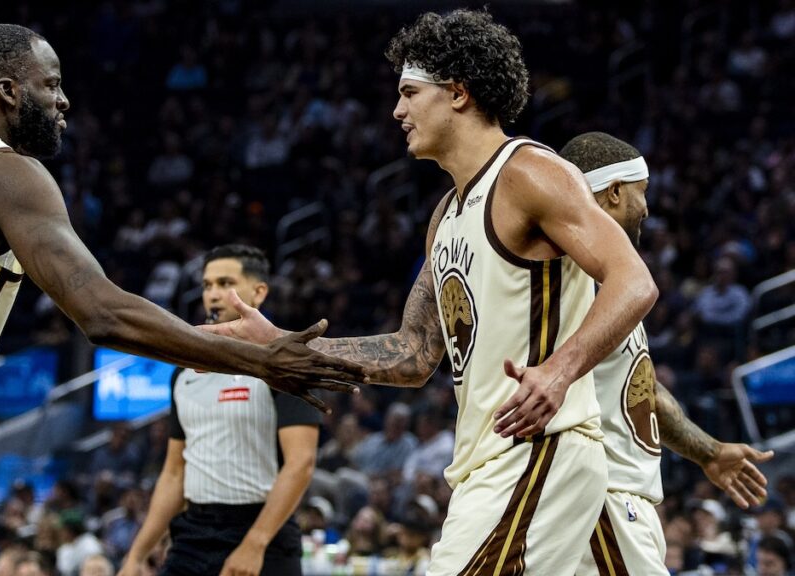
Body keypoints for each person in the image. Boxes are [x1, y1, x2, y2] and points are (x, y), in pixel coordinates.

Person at [0, 24, 366, 576]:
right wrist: (260, 361)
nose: (64, 101)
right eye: (50, 84)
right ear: (8, 91)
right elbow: (103, 315)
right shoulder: (5, 173)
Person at [202, 9, 659, 574]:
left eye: (409, 93)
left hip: (539, 449)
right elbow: (413, 354)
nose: (398, 111)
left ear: (458, 93)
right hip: (485, 465)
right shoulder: (446, 215)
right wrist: (283, 344)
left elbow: (634, 280)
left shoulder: (529, 171)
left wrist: (559, 371)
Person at [560, 131, 775, 575]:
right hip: (602, 496)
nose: (646, 208)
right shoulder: (568, 278)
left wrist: (708, 452)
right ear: (614, 192)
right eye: (641, 192)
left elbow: (642, 390)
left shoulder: (606, 280)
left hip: (618, 498)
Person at [118, 245, 319, 576]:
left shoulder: (286, 364)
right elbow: (174, 472)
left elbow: (301, 464)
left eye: (226, 283)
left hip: (263, 531)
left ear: (259, 292)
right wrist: (137, 555)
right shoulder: (184, 372)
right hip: (193, 533)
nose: (212, 294)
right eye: (207, 285)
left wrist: (254, 544)